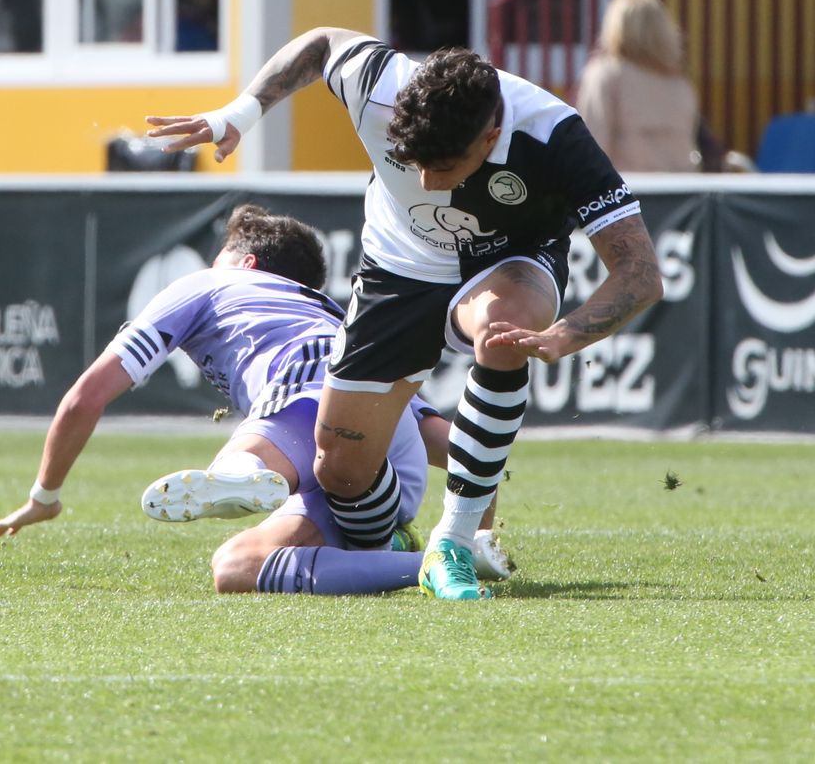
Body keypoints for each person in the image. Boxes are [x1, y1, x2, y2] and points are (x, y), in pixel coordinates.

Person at [148, 31, 663, 600]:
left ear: (492, 135)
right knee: (339, 470)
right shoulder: (379, 84)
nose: (426, 182)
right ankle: (390, 545)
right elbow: (320, 45)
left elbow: (639, 273)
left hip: (509, 261)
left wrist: (568, 332)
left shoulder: (554, 135)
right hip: (398, 266)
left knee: (500, 336)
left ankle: (455, 544)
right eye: (412, 159)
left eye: (443, 165)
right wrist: (239, 113)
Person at [0, 205, 512, 595]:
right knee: (234, 567)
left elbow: (85, 397)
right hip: (391, 463)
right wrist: (476, 527)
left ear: (246, 262)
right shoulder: (328, 311)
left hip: (311, 408)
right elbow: (460, 448)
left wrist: (44, 495)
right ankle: (433, 557)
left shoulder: (209, 284)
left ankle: (244, 469)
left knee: (261, 452)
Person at [575, 0, 701, 173]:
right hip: (679, 193)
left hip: (628, 193)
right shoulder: (680, 83)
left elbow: (591, 147)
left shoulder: (606, 75)